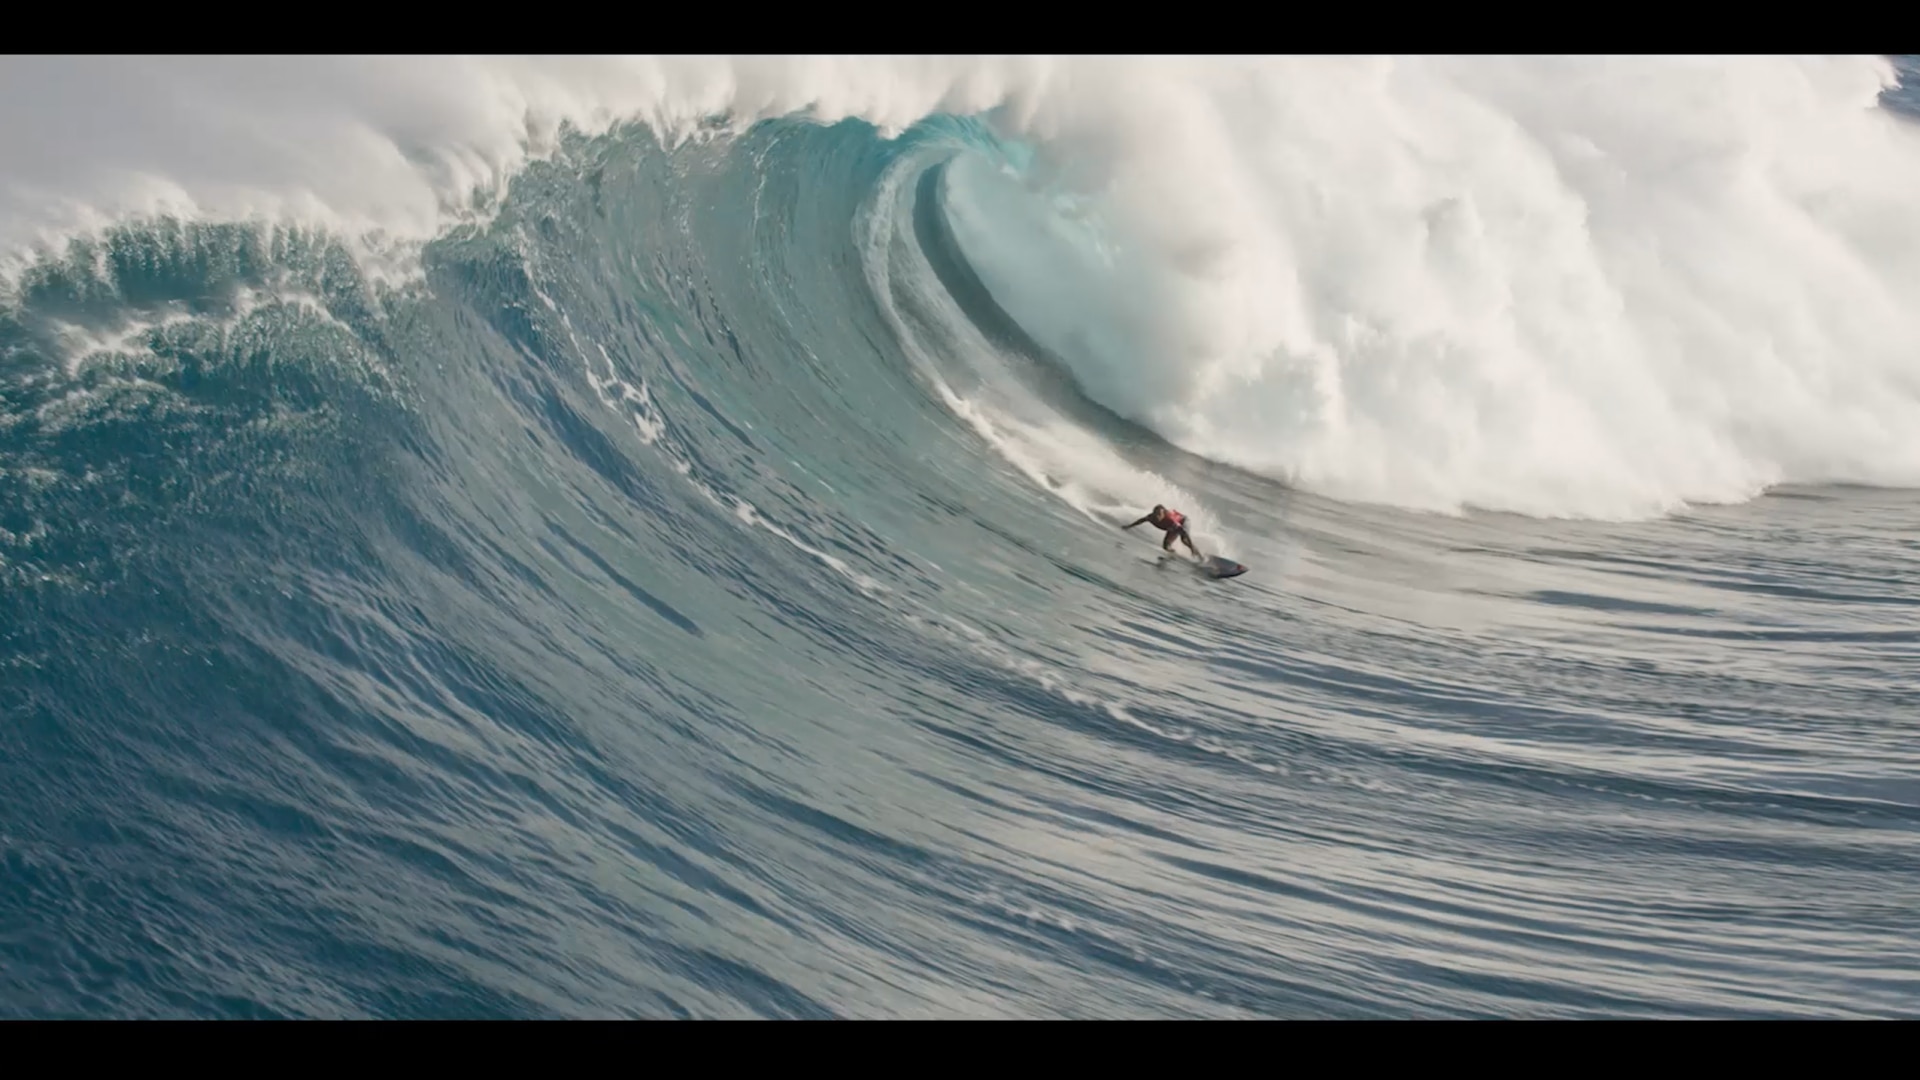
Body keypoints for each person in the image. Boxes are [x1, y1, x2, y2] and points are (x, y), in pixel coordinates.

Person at [1123, 504, 1199, 557]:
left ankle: (1199, 556)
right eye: (1156, 514)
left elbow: (1184, 532)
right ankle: (1174, 554)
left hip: (1183, 521)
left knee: (1184, 540)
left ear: (1164, 514)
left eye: (1159, 515)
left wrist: (1192, 548)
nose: (1157, 517)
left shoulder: (1170, 520)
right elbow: (1140, 521)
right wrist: (1128, 526)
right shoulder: (1151, 517)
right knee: (1166, 546)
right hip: (1172, 527)